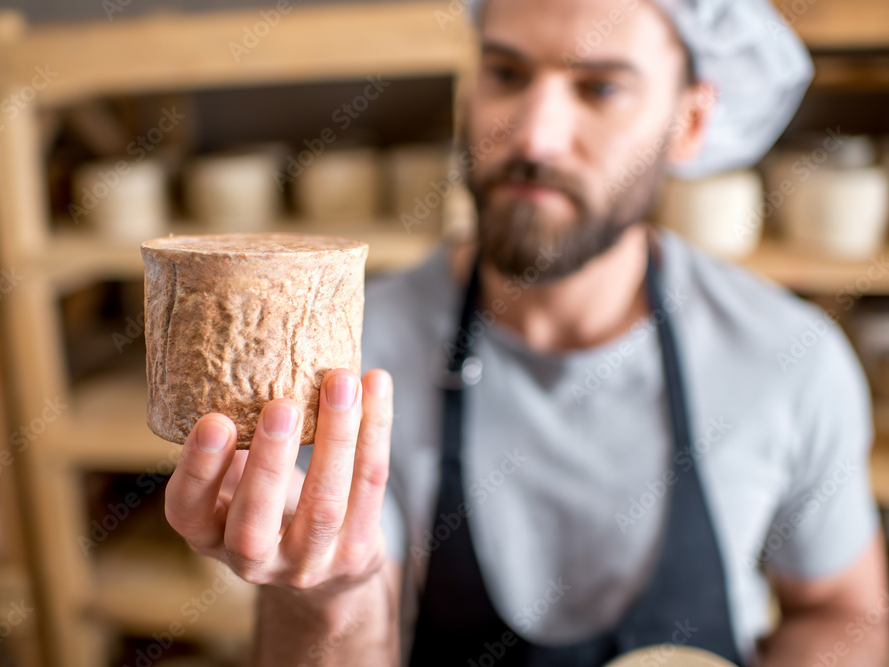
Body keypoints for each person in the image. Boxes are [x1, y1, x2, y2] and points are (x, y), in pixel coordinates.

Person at [163, 0, 889, 664]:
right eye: (507, 71)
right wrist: (320, 593)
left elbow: (845, 613)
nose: (533, 134)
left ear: (690, 121)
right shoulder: (345, 358)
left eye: (600, 87)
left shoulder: (788, 358)